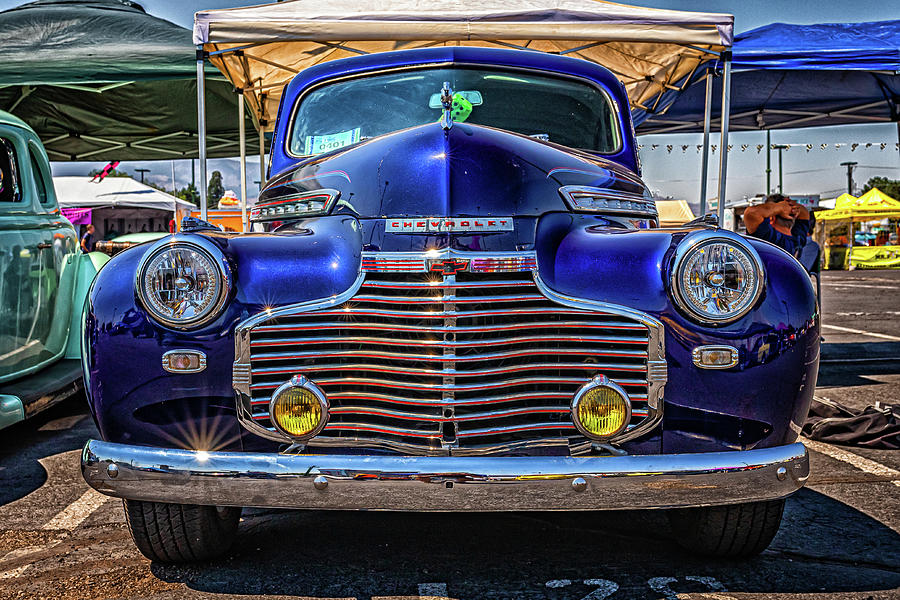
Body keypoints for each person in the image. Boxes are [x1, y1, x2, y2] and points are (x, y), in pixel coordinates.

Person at [743, 194, 811, 255]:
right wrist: (790, 205)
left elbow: (751, 213)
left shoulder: (767, 237)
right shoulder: (798, 238)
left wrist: (781, 207)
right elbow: (804, 212)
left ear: (772, 217)